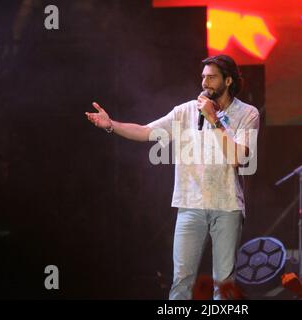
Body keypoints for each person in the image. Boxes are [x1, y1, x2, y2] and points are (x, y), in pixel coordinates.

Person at [85, 54, 260, 299]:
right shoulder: (186, 111)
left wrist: (215, 121)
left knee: (225, 284)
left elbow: (239, 158)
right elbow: (147, 132)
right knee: (181, 280)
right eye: (203, 78)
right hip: (190, 204)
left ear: (228, 80)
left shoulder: (247, 113)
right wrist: (111, 124)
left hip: (227, 205)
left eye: (211, 78)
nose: (205, 83)